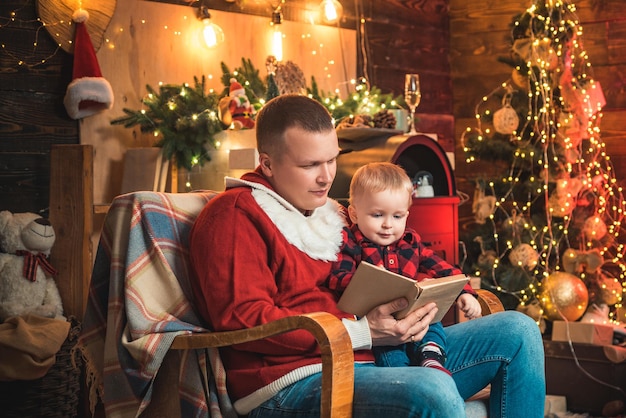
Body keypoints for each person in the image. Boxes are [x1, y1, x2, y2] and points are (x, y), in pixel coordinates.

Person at [189, 94, 546, 418]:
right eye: (310, 164)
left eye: (332, 160)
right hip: (296, 379)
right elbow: (244, 320)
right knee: (432, 388)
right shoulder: (235, 214)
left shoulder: (334, 212)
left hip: (381, 356)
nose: (326, 177)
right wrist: (363, 333)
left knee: (519, 330)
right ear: (266, 164)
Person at [327, 162, 481, 375]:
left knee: (432, 321)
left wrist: (465, 292)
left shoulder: (410, 242)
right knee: (390, 355)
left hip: (414, 317)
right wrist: (371, 282)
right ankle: (407, 381)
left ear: (406, 215)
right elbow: (338, 277)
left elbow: (443, 268)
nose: (388, 224)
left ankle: (431, 356)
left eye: (397, 216)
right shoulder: (350, 242)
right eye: (377, 215)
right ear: (354, 215)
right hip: (380, 325)